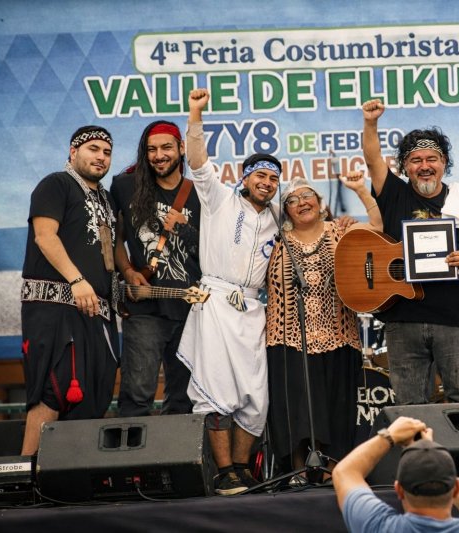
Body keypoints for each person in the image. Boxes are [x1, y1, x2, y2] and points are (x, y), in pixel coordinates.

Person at [176, 88, 279, 495]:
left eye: (273, 178)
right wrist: (195, 115)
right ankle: (223, 473)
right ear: (245, 177)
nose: (267, 183)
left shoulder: (278, 218)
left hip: (253, 310)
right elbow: (198, 161)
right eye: (260, 176)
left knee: (256, 396)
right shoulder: (219, 198)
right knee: (217, 389)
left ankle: (242, 469)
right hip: (216, 302)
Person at [360, 99, 459, 406]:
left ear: (444, 162)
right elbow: (372, 159)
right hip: (403, 320)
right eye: (415, 160)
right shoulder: (393, 193)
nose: (424, 166)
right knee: (410, 405)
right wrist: (370, 123)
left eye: (432, 158)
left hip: (455, 319)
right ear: (404, 166)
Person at [265, 171, 382, 483]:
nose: (301, 202)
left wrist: (360, 190)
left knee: (337, 406)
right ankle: (298, 470)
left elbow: (378, 228)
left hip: (338, 334)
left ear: (320, 203)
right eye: (292, 200)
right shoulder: (275, 241)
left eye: (307, 196)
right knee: (296, 406)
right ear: (285, 211)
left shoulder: (340, 230)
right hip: (288, 337)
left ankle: (334, 470)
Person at [20, 126, 119, 455]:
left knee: (93, 395)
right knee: (55, 389)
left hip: (97, 311)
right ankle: (27, 474)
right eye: (93, 149)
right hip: (56, 308)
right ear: (73, 152)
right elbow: (45, 236)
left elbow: (107, 256)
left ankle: (71, 474)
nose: (101, 157)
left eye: (107, 152)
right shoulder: (56, 184)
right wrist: (77, 281)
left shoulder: (106, 199)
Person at [111, 120, 199, 418]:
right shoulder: (125, 186)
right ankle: (133, 452)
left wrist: (186, 229)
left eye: (166, 148)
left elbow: (212, 250)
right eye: (151, 149)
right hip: (145, 308)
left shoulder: (200, 193)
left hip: (189, 310)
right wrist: (127, 271)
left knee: (184, 400)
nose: (159, 155)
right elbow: (113, 238)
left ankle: (175, 452)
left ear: (181, 148)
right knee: (136, 396)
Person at [333, 416, 459, 532]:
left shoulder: (378, 526)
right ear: (456, 487)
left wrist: (390, 435)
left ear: (399, 490)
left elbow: (345, 472)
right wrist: (442, 472)